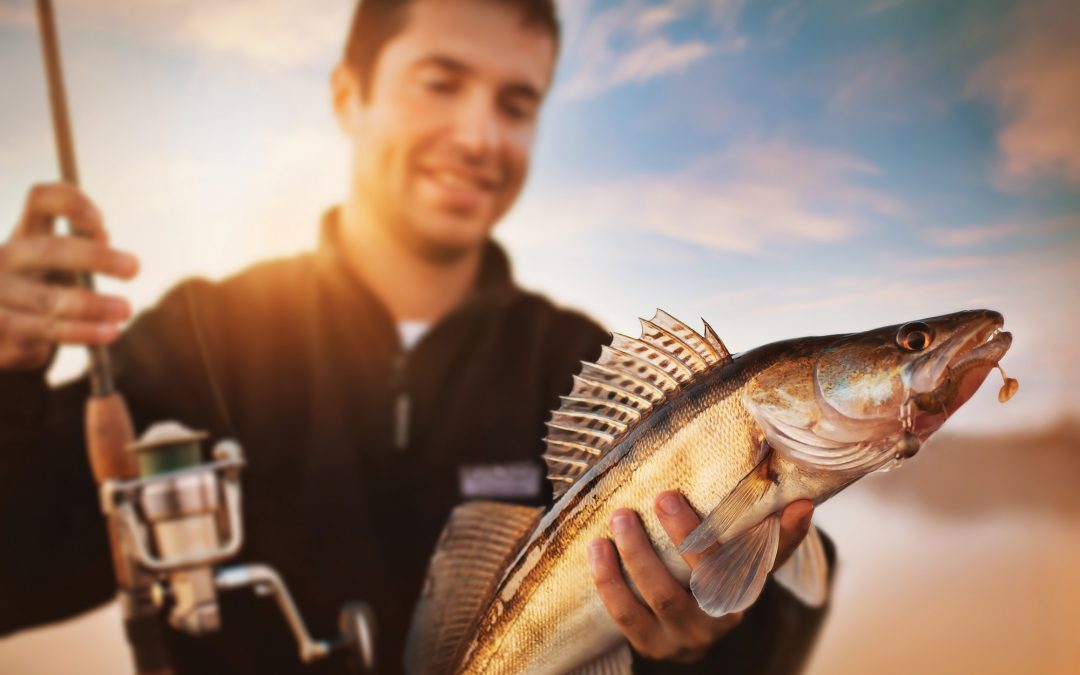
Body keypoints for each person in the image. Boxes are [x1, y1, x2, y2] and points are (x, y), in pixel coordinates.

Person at [0, 0, 830, 673]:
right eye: (441, 82)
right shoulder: (197, 338)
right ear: (347, 96)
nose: (479, 135)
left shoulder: (574, 361)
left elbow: (782, 619)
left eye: (516, 103)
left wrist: (702, 647)